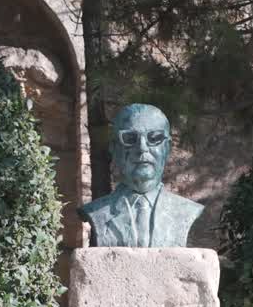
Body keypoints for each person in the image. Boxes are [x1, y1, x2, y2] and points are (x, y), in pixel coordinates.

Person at [78, 104, 203, 247]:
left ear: (167, 148)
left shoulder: (186, 211)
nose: (142, 148)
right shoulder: (96, 212)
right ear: (113, 147)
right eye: (130, 138)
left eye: (154, 138)